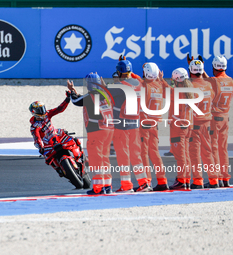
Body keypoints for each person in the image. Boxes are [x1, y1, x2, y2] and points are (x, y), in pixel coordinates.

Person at [108, 57, 151, 192]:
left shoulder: (119, 86)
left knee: (123, 156)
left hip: (122, 125)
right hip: (135, 125)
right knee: (135, 155)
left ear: (119, 72)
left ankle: (126, 185)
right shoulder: (139, 83)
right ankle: (144, 183)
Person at [67, 73, 114, 195]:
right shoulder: (107, 94)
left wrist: (71, 91)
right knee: (105, 159)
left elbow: (76, 101)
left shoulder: (91, 96)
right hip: (108, 130)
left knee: (95, 160)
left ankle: (98, 187)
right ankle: (107, 185)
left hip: (96, 131)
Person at [187, 57, 218, 189]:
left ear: (190, 71)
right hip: (207, 122)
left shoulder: (190, 86)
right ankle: (214, 179)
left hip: (195, 124)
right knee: (207, 152)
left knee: (194, 154)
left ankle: (198, 181)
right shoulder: (208, 84)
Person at [139, 62, 169, 191]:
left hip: (144, 124)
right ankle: (162, 180)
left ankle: (147, 181)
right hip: (154, 124)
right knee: (155, 154)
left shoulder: (143, 86)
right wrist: (161, 79)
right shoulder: (160, 85)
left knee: (144, 154)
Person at [204, 56, 233, 187]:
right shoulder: (230, 80)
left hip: (215, 118)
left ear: (214, 67)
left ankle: (217, 178)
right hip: (226, 117)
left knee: (214, 148)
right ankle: (225, 178)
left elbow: (204, 79)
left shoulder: (214, 81)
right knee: (223, 149)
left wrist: (200, 67)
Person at [29, 93, 71, 176]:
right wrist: (41, 148)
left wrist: (67, 100)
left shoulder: (47, 114)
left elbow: (59, 109)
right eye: (39, 110)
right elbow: (37, 138)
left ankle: (79, 152)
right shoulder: (34, 127)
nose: (42, 111)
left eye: (43, 109)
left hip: (56, 133)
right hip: (48, 142)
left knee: (69, 135)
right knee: (47, 158)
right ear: (34, 112)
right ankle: (58, 168)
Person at [167, 68, 194, 190]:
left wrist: (159, 79)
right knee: (186, 155)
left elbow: (165, 90)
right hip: (188, 126)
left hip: (179, 127)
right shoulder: (189, 89)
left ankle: (182, 180)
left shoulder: (176, 92)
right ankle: (186, 179)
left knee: (180, 156)